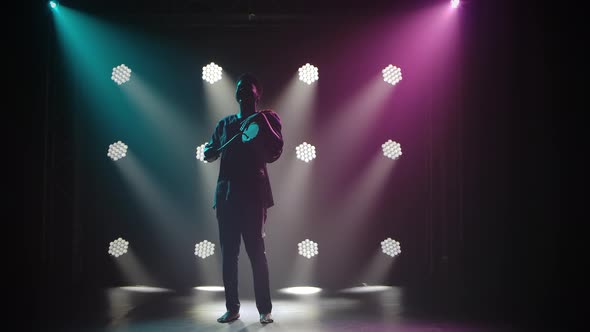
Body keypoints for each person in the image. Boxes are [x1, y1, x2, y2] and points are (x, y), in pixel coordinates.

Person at [203, 73, 283, 324]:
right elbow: (209, 152)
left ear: (257, 94)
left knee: (257, 253)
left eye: (248, 88)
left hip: (253, 196)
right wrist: (210, 151)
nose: (243, 92)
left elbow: (276, 149)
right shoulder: (225, 124)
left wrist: (262, 120)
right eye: (239, 88)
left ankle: (264, 310)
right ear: (236, 94)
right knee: (229, 255)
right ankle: (232, 308)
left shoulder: (267, 118)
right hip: (226, 196)